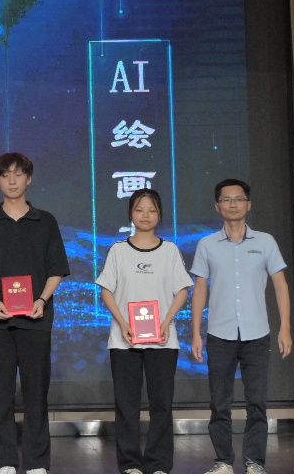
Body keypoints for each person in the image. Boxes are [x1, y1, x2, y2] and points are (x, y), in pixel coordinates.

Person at [0, 152, 71, 474]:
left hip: (36, 321)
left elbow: (56, 268)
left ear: (29, 178)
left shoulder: (45, 221)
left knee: (36, 394)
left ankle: (37, 463)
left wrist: (41, 299)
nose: (12, 180)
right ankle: (5, 462)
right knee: (0, 395)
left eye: (18, 173)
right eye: (5, 175)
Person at [190, 179, 292, 474]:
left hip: (256, 334)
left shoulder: (265, 242)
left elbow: (280, 285)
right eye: (226, 199)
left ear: (248, 204)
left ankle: (254, 462)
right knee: (219, 403)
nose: (233, 204)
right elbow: (200, 289)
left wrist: (285, 327)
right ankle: (223, 461)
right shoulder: (207, 244)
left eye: (238, 199)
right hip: (219, 334)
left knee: (256, 402)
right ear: (217, 206)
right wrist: (195, 332)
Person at [96, 188, 193, 474]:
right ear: (131, 214)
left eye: (151, 210)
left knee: (161, 404)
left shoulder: (170, 250)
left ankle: (158, 463)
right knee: (127, 405)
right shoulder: (118, 250)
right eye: (139, 209)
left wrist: (167, 321)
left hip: (163, 339)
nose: (145, 215)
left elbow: (183, 289)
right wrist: (123, 323)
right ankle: (130, 464)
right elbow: (106, 290)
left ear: (159, 214)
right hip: (123, 340)